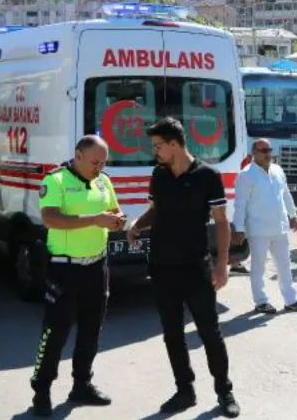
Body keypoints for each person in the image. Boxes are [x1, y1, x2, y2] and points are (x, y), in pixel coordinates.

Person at [126, 118, 240, 418]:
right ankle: (184, 390)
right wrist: (137, 225)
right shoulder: (159, 174)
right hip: (163, 267)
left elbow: (221, 222)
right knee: (172, 333)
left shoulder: (208, 176)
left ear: (174, 144)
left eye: (158, 146)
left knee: (209, 332)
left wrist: (222, 264)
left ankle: (224, 390)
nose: (155, 152)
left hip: (195, 267)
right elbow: (154, 210)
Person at [29, 135, 125, 417]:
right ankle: (41, 391)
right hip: (64, 269)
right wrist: (95, 219)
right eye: (95, 161)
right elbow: (50, 218)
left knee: (91, 330)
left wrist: (117, 219)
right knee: (55, 332)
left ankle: (82, 385)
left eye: (104, 162)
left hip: (97, 266)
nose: (99, 166)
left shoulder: (103, 181)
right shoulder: (55, 180)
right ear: (78, 155)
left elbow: (113, 210)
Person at [233, 139, 297, 315]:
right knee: (258, 266)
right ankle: (260, 301)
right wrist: (239, 228)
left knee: (285, 264)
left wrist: (293, 215)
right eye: (263, 150)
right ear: (254, 152)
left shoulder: (277, 170)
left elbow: (286, 195)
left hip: (280, 227)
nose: (268, 154)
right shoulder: (246, 175)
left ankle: (291, 300)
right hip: (258, 229)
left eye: (269, 150)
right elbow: (240, 204)